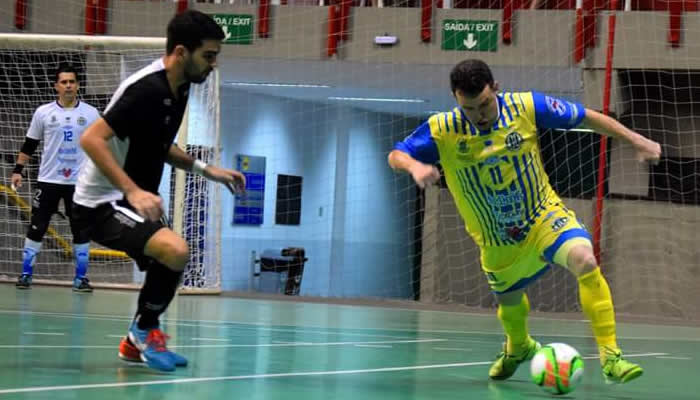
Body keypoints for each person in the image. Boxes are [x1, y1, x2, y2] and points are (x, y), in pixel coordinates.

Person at [389, 59, 661, 384]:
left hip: (543, 217)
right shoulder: (443, 128)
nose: (479, 115)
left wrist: (636, 139)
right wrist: (414, 167)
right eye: (470, 108)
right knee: (509, 301)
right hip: (496, 239)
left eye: (485, 104)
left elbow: (586, 117)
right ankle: (518, 347)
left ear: (496, 89)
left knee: (585, 260)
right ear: (456, 100)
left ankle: (611, 357)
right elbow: (396, 154)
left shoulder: (526, 106)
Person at [72, 10, 244, 372]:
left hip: (129, 199)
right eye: (208, 56)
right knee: (175, 250)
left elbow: (159, 145)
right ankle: (142, 333)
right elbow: (91, 139)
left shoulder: (180, 87)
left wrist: (206, 170)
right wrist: (132, 190)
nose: (213, 64)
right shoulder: (145, 89)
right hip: (101, 202)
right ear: (181, 52)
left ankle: (136, 341)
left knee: (170, 261)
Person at [12, 64, 100, 292]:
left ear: (78, 85)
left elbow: (102, 145)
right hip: (48, 180)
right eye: (64, 82)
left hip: (79, 183)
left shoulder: (91, 113)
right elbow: (30, 144)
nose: (68, 85)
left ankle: (80, 279)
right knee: (37, 227)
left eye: (72, 81)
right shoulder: (43, 112)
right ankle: (26, 274)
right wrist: (18, 170)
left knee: (81, 230)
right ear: (56, 86)